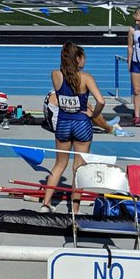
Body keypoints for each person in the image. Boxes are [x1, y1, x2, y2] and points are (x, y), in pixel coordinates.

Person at [40, 42, 106, 214]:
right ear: (78, 59)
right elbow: (101, 101)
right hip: (81, 124)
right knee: (78, 167)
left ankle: (45, 204)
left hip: (63, 123)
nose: (85, 61)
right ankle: (74, 211)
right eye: (84, 58)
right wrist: (93, 115)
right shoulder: (86, 78)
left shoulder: (55, 75)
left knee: (59, 165)